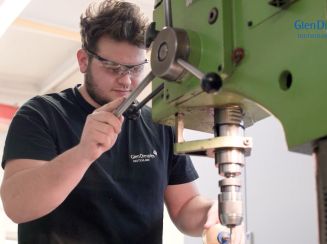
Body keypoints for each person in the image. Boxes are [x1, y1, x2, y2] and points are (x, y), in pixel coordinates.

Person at [0, 1, 243, 243]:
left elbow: (184, 208)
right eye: (113, 67)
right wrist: (83, 153)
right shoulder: (41, 114)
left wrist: (210, 213)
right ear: (84, 60)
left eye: (135, 68)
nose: (126, 81)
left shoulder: (159, 124)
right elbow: (17, 205)